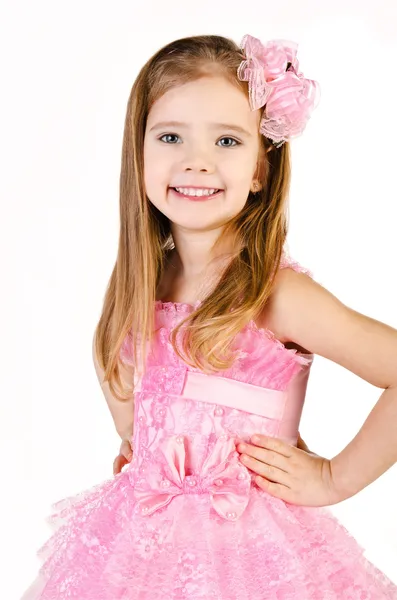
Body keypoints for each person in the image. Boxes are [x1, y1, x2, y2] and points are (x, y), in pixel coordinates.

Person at [20, 33, 397, 599]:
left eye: (227, 140)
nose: (197, 161)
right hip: (139, 557)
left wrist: (334, 476)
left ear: (259, 171)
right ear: (139, 154)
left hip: (254, 561)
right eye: (170, 136)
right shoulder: (135, 293)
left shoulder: (276, 295)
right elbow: (136, 431)